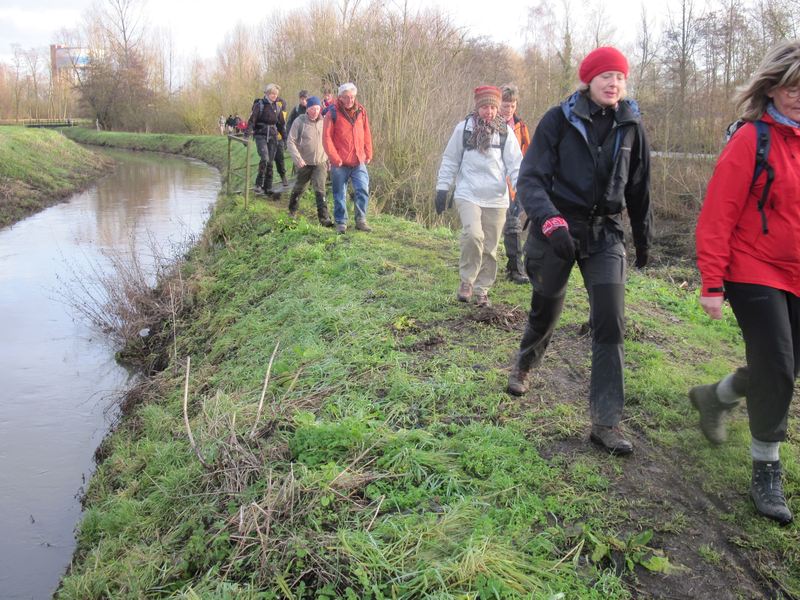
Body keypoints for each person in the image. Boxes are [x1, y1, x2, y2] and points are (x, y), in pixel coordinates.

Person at [506, 47, 652, 456]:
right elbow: (530, 179)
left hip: (605, 233)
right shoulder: (557, 120)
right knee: (546, 306)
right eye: (605, 75)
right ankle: (525, 363)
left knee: (610, 319)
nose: (613, 83)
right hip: (558, 228)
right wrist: (551, 223)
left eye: (620, 77)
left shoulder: (631, 126)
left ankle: (605, 422)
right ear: (588, 80)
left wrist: (642, 239)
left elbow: (640, 187)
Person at [692, 40, 800, 525]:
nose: (798, 94)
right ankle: (765, 467)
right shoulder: (752, 139)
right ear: (772, 88)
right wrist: (711, 281)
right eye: (790, 85)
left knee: (786, 367)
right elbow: (718, 214)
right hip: (753, 268)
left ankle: (716, 396)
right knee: (777, 364)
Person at [435, 86, 523, 308]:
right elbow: (450, 159)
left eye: (493, 107)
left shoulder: (505, 133)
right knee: (473, 236)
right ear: (477, 107)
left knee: (490, 248)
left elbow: (515, 164)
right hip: (468, 193)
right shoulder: (463, 129)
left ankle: (482, 290)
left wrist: (522, 188)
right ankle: (467, 281)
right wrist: (442, 188)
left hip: (496, 198)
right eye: (485, 107)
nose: (490, 112)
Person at [322, 82, 374, 234]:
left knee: (363, 189)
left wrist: (368, 152)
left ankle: (361, 220)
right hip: (340, 162)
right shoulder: (332, 113)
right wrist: (334, 157)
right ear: (340, 97)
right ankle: (341, 222)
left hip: (358, 160)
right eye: (346, 97)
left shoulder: (361, 111)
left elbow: (367, 133)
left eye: (352, 97)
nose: (350, 100)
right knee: (339, 193)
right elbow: (326, 138)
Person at [499, 83, 532, 284]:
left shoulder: (521, 127)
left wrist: (525, 182)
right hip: (491, 183)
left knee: (513, 225)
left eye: (512, 106)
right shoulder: (487, 123)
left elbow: (527, 155)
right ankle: (482, 266)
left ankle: (515, 269)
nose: (508, 109)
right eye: (505, 105)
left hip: (513, 184)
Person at [286, 96, 333, 227]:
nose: (315, 111)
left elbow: (329, 141)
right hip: (304, 163)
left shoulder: (324, 122)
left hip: (320, 163)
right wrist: (298, 158)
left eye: (318, 108)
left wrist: (329, 158)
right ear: (307, 109)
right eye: (312, 109)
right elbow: (290, 141)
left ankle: (324, 219)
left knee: (320, 189)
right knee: (299, 188)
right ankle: (292, 211)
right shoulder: (299, 121)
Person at [247, 83, 287, 199]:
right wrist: (246, 135)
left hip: (273, 136)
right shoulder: (259, 105)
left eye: (276, 94)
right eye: (272, 94)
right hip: (261, 135)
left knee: (270, 162)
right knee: (264, 158)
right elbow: (251, 121)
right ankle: (258, 184)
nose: (274, 96)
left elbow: (281, 125)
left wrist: (285, 138)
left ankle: (268, 187)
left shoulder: (277, 107)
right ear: (267, 94)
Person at [273, 92, 290, 188]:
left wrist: (285, 138)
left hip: (278, 137)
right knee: (267, 160)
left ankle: (283, 177)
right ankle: (266, 181)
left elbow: (282, 122)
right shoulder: (265, 105)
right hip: (268, 137)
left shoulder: (281, 104)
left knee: (279, 159)